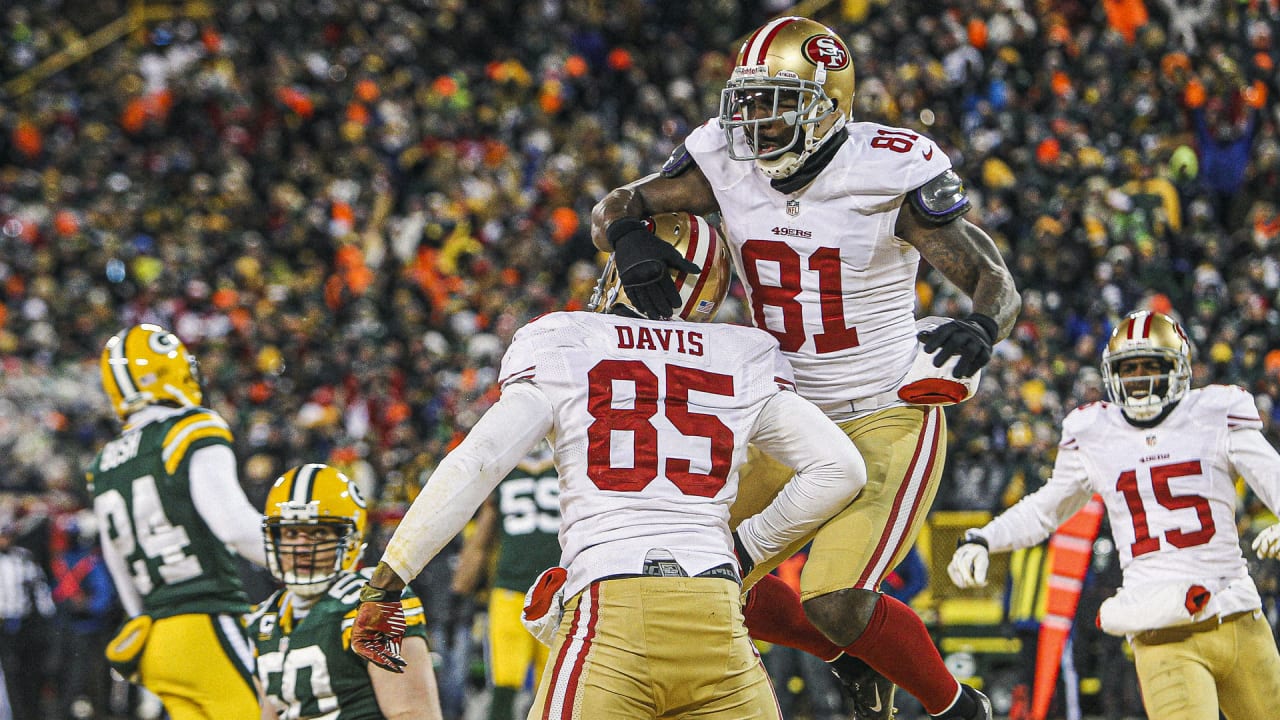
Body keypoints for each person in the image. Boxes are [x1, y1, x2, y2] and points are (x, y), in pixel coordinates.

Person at [590, 15, 1019, 720]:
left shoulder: (884, 170)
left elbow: (989, 275)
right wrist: (632, 241)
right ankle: (845, 659)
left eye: (775, 101)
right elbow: (619, 204)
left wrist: (980, 325)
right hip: (783, 414)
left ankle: (955, 707)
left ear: (829, 105)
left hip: (885, 410)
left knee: (835, 600)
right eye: (748, 101)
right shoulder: (724, 161)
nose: (755, 120)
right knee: (690, 573)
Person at [350, 211, 868, 720]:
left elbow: (479, 461)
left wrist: (388, 580)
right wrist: (747, 549)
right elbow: (841, 468)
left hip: (613, 610)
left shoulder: (565, 341)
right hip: (717, 612)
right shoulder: (741, 354)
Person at [948, 309, 1280, 719]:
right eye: (1130, 367)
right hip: (1162, 626)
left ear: (1178, 369)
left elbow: (1271, 473)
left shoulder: (1215, 412)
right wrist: (985, 537)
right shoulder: (1095, 432)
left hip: (1239, 613)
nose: (1139, 378)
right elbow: (1047, 509)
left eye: (1151, 366)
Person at [88, 323, 266, 719]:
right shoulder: (190, 428)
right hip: (209, 622)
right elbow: (234, 526)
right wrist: (311, 562)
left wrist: (145, 619)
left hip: (155, 640)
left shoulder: (103, 464)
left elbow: (116, 562)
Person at [248, 463, 443, 720]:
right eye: (291, 532)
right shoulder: (263, 619)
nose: (301, 547)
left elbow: (412, 713)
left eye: (317, 532)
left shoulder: (370, 601)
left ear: (349, 538)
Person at [450, 442, 560, 720]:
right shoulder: (566, 469)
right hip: (553, 590)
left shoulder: (505, 474)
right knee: (550, 686)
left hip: (522, 591)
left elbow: (480, 543)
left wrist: (460, 591)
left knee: (513, 683)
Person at [0, 513, 55, 720]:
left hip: (21, 624)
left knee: (23, 673)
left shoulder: (23, 557)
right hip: (3, 623)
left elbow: (40, 587)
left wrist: (46, 613)